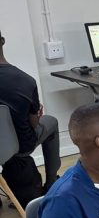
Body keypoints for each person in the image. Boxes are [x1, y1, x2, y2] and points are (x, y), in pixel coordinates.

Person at [0, 29, 60, 194]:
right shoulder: (26, 80)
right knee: (52, 122)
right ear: (3, 41)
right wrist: (34, 114)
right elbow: (33, 123)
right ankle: (51, 182)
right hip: (19, 146)